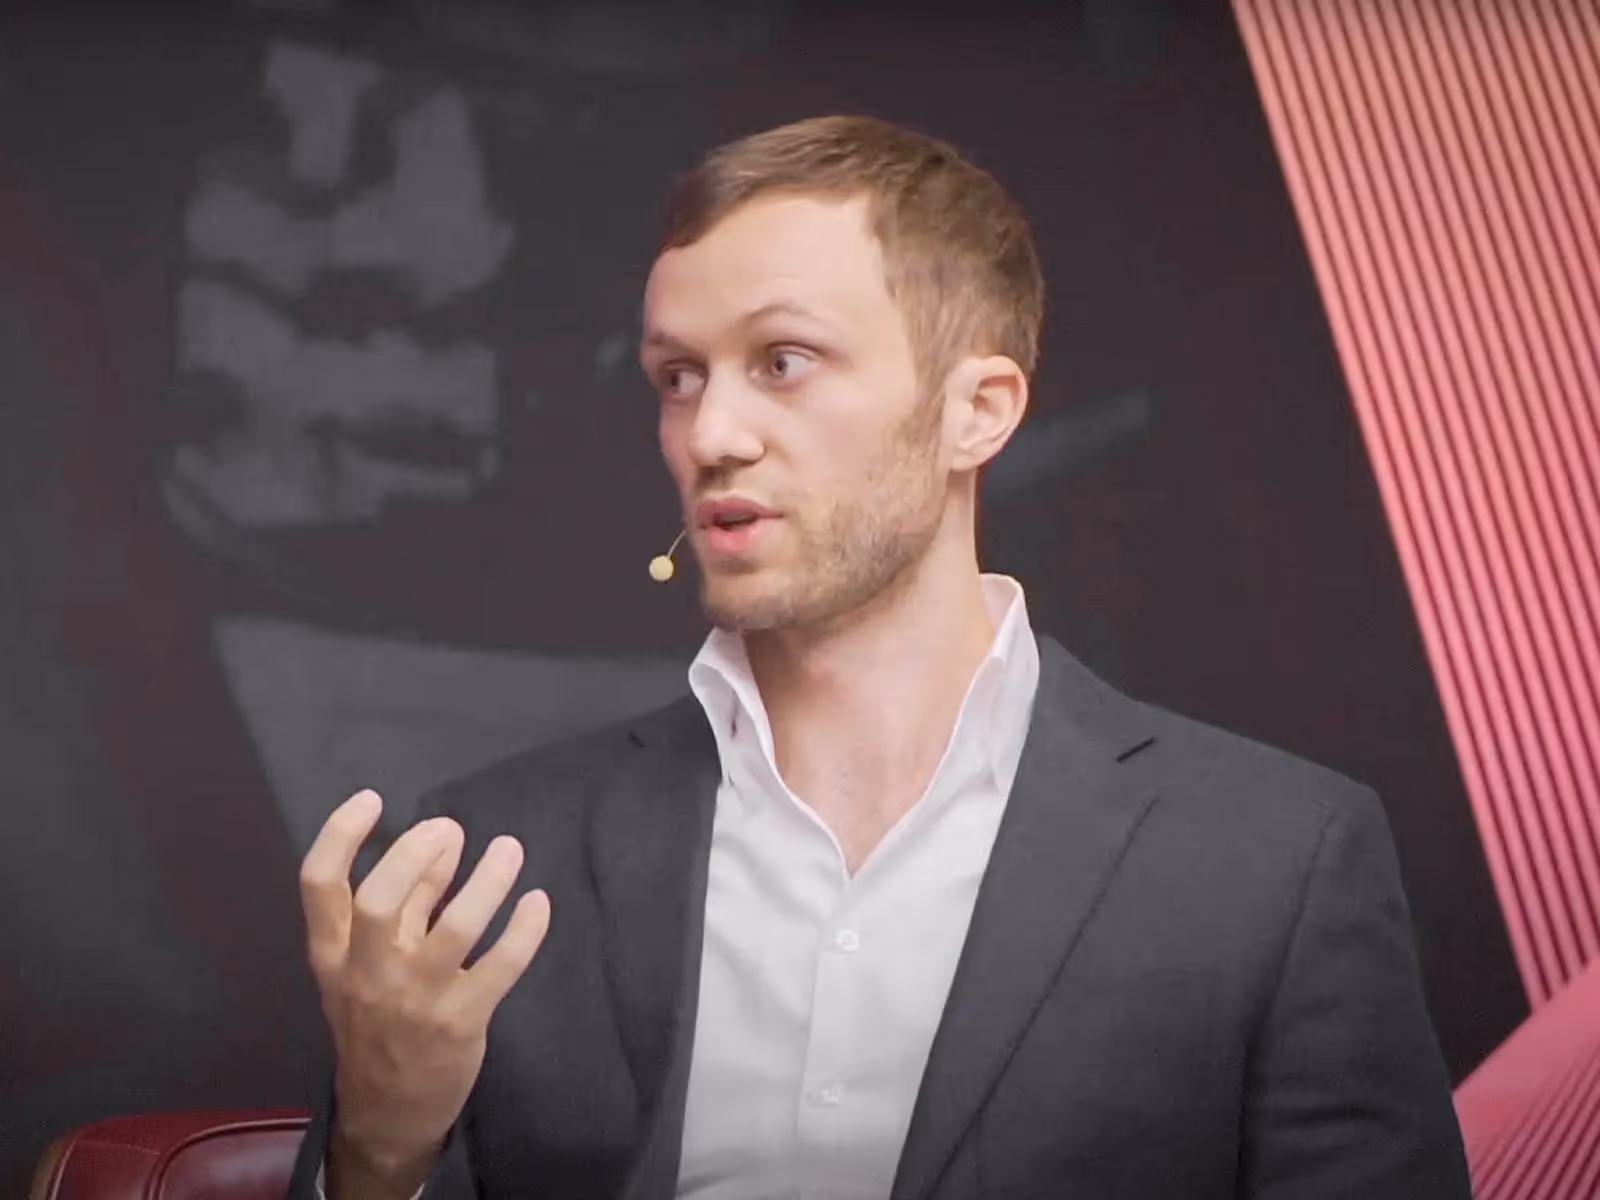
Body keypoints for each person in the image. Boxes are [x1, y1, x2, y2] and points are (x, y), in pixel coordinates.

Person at [288, 115, 1471, 1200]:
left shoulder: (1273, 862)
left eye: (783, 360)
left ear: (978, 410)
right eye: (678, 377)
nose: (711, 434)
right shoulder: (489, 861)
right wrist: (382, 1143)